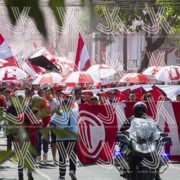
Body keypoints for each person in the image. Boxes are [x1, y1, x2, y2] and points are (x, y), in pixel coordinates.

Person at [120, 102, 162, 180]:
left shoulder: (150, 120)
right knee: (124, 150)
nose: (140, 112)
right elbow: (122, 130)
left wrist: (160, 134)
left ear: (145, 111)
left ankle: (156, 174)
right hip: (134, 142)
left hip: (147, 143)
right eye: (138, 110)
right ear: (134, 110)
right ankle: (124, 167)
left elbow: (157, 130)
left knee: (158, 153)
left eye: (142, 110)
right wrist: (123, 133)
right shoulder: (130, 120)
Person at [50, 98, 78, 180]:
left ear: (61, 105)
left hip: (61, 138)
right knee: (72, 156)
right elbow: (76, 106)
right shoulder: (75, 111)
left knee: (62, 156)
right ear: (70, 105)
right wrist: (74, 102)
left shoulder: (58, 113)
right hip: (72, 137)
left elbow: (52, 124)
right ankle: (72, 170)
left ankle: (62, 175)